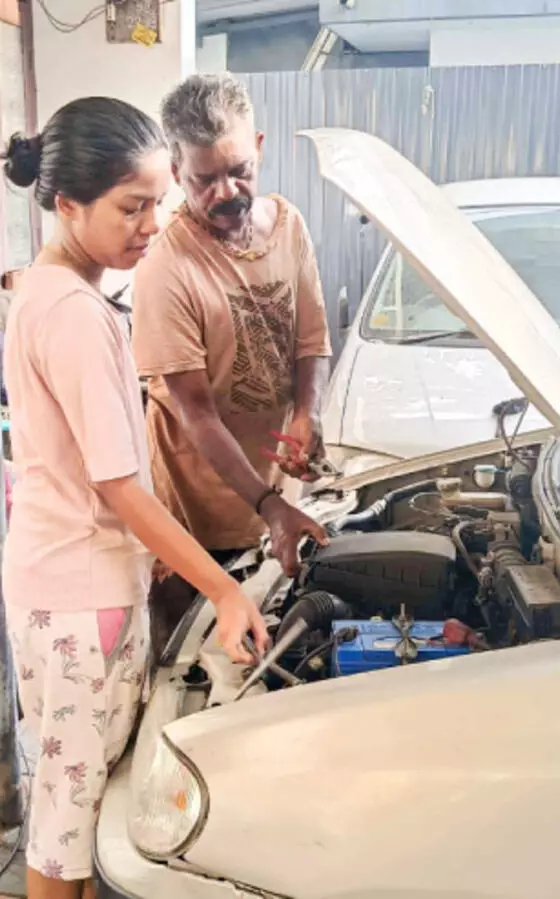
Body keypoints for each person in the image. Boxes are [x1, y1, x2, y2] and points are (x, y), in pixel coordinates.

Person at [0, 96, 268, 899]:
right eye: (131, 207)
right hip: (81, 600)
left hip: (58, 583)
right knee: (67, 823)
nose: (152, 224)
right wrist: (222, 589)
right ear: (67, 203)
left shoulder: (45, 291)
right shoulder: (77, 315)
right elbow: (116, 482)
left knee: (73, 807)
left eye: (158, 202)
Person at [132, 73, 332, 651]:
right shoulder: (167, 266)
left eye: (239, 170)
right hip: (199, 513)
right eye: (204, 179)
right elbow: (196, 415)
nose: (226, 191)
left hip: (277, 495)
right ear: (177, 172)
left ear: (259, 148)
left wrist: (306, 413)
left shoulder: (288, 226)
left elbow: (311, 339)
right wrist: (267, 506)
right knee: (197, 662)